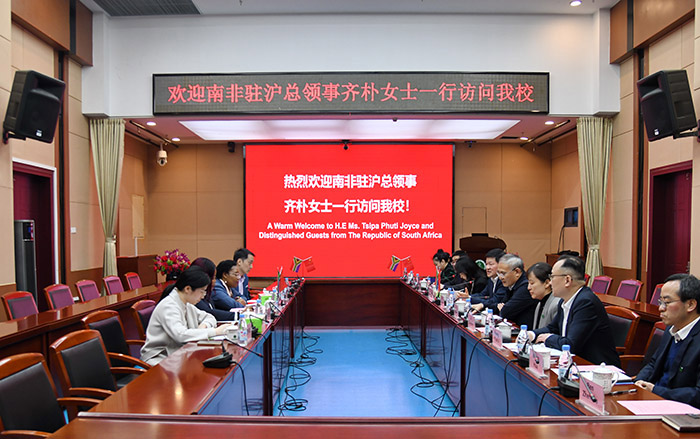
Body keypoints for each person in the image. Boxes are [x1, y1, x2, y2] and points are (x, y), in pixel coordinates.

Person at [531, 256, 620, 367]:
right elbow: (552, 328)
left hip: (597, 368)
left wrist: (548, 338)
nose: (550, 282)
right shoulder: (564, 300)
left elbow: (570, 344)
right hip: (574, 363)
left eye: (552, 277)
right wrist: (531, 334)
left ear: (567, 280)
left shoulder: (586, 302)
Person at [141, 267, 232, 365]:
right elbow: (180, 335)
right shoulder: (169, 306)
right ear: (187, 289)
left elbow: (210, 317)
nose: (203, 296)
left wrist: (204, 325)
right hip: (160, 357)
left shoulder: (186, 303)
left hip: (179, 353)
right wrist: (215, 332)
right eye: (202, 291)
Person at [635, 274, 700, 408]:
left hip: (681, 411)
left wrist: (656, 391)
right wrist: (638, 382)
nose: (660, 308)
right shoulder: (671, 329)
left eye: (667, 302)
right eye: (660, 302)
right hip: (653, 401)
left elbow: (697, 394)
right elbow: (653, 363)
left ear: (690, 305)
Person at [493, 254, 537, 328]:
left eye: (503, 273)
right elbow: (500, 304)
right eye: (498, 273)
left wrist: (503, 308)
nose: (500, 277)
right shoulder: (511, 284)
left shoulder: (525, 287)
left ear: (517, 272)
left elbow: (505, 312)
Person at [192, 257, 242, 322]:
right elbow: (208, 313)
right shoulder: (216, 288)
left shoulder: (207, 293)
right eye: (212, 278)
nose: (214, 281)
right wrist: (238, 315)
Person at [526, 262, 561, 329]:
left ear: (547, 283)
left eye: (532, 283)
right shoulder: (540, 303)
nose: (528, 288)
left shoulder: (556, 305)